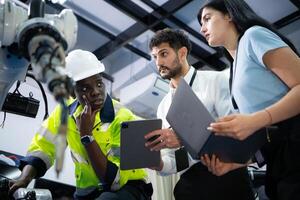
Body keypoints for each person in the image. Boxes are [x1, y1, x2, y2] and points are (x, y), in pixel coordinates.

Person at [9, 49, 152, 200]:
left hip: (128, 189)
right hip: (88, 192)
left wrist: (86, 135)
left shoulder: (123, 117)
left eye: (99, 83)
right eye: (85, 88)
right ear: (72, 92)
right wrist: (24, 179)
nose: (96, 92)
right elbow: (43, 147)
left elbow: (114, 180)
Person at [197, 0, 300, 200]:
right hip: (279, 162)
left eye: (207, 19)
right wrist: (238, 161)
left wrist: (257, 120)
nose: (202, 28)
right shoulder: (233, 70)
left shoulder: (254, 36)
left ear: (229, 15)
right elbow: (264, 134)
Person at [144, 28, 255, 200]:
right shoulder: (163, 106)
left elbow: (233, 132)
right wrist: (158, 164)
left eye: (163, 54)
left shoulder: (216, 81)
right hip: (190, 184)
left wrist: (183, 137)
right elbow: (177, 162)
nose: (158, 62)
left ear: (182, 53)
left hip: (226, 175)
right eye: (155, 57)